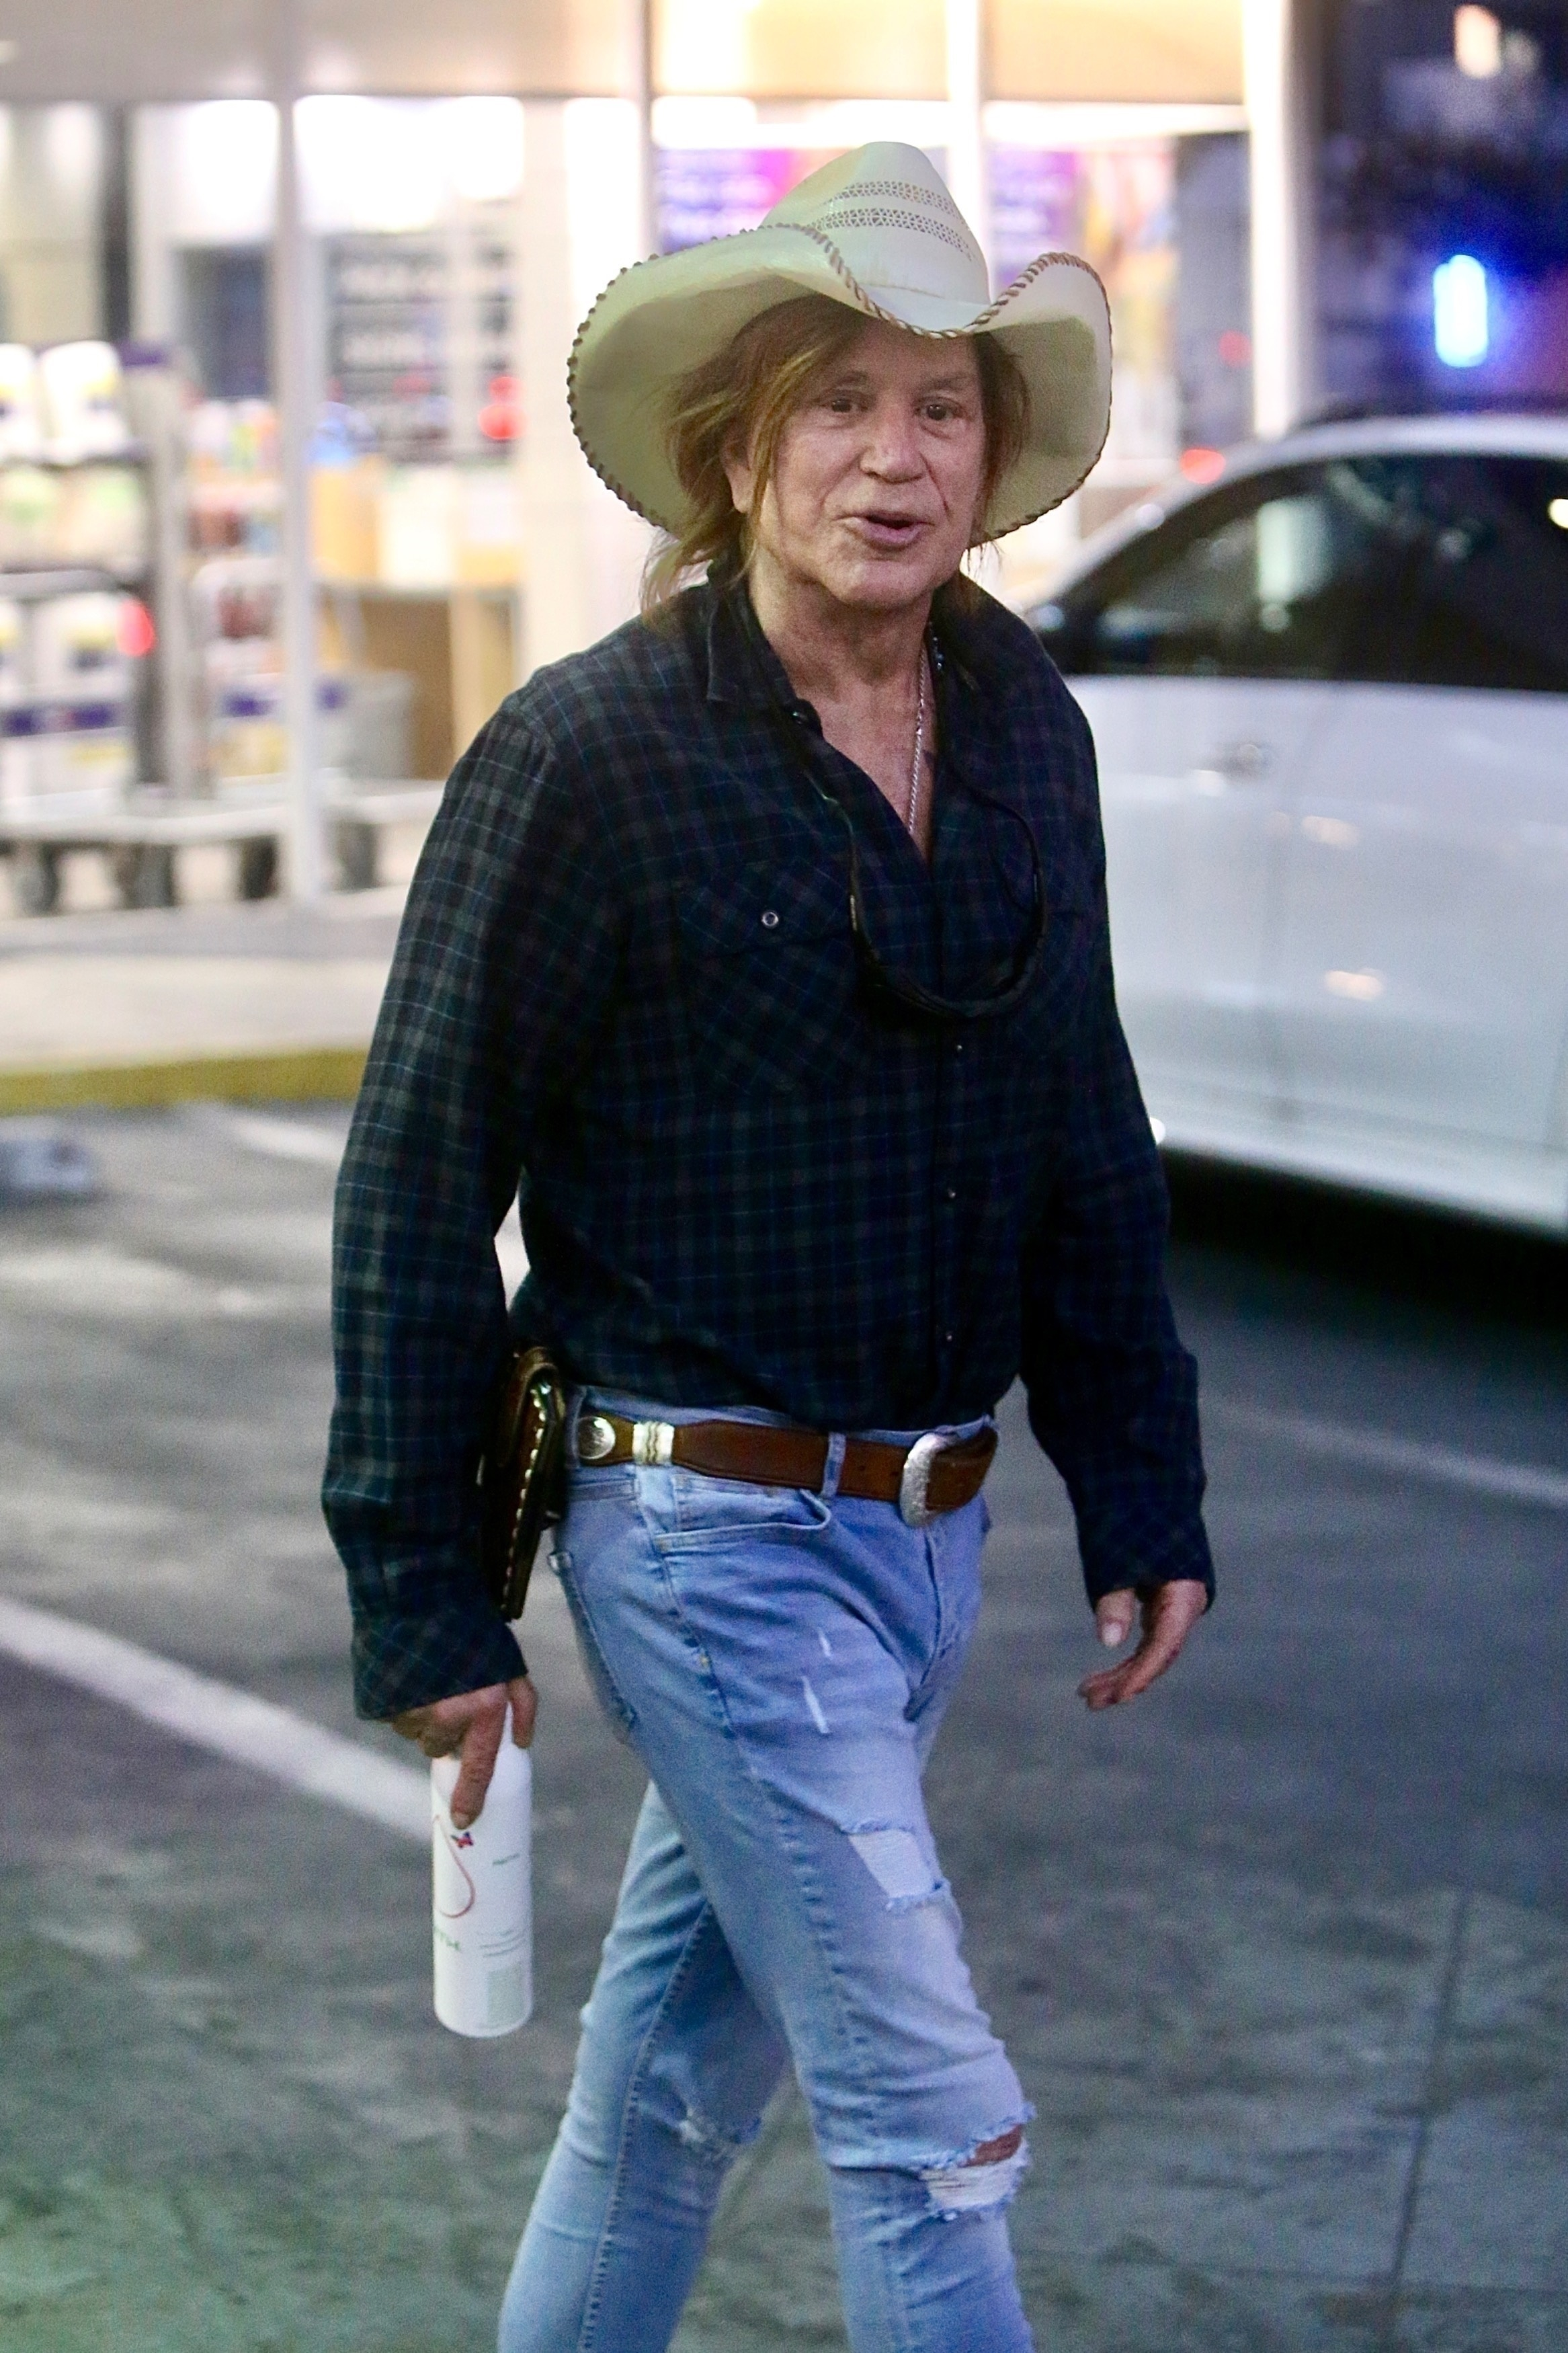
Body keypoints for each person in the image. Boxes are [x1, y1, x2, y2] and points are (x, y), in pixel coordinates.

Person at [324, 142, 1214, 2353]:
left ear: (989, 458)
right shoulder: (588, 761)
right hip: (698, 1534)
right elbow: (418, 1177)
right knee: (930, 2114)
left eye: (938, 408)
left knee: (660, 2107)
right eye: (840, 403)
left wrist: (1141, 1473)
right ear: (738, 451)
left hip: (919, 1537)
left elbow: (1075, 1123)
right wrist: (420, 1588)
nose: (890, 460)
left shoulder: (1023, 731)